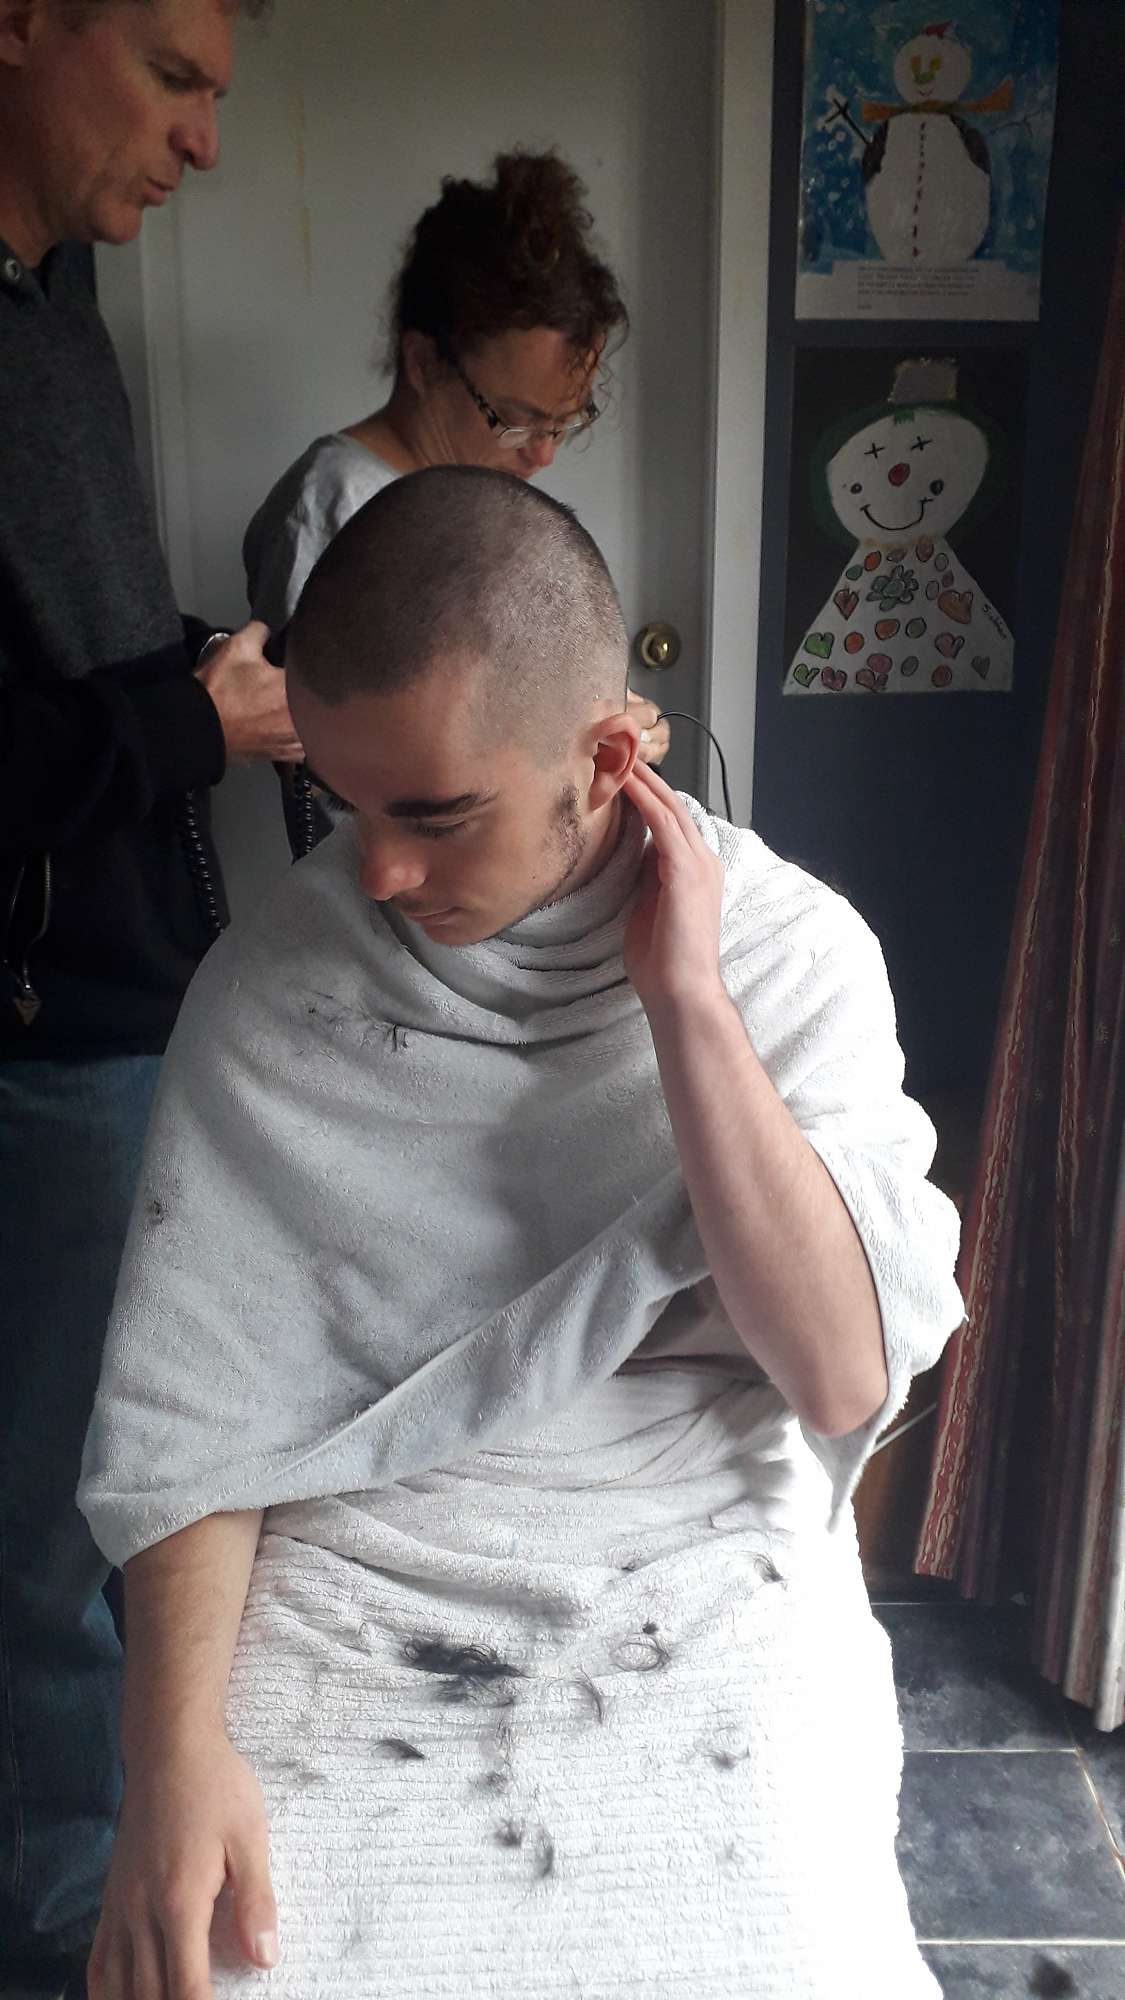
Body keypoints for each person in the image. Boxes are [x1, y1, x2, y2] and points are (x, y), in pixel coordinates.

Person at [80, 466, 962, 2000]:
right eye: (347, 808)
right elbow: (196, 1416)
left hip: (696, 1534)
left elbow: (836, 1373)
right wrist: (170, 1762)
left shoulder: (792, 954)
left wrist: (686, 1005)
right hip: (366, 1530)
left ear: (607, 756)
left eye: (437, 816)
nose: (380, 875)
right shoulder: (279, 976)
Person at [0, 2, 301, 1987]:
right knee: (53, 1535)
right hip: (37, 1051)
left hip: (126, 1009)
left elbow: (64, 657)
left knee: (110, 1489)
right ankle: (65, 1934)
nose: (202, 140)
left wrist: (216, 668)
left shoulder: (58, 312)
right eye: (175, 74)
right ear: (27, 21)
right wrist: (189, 724)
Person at [243, 147, 669, 860]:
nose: (543, 455)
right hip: (399, 881)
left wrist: (593, 719)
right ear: (422, 362)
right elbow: (315, 752)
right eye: (516, 419)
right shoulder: (336, 504)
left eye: (564, 423)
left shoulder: (479, 499)